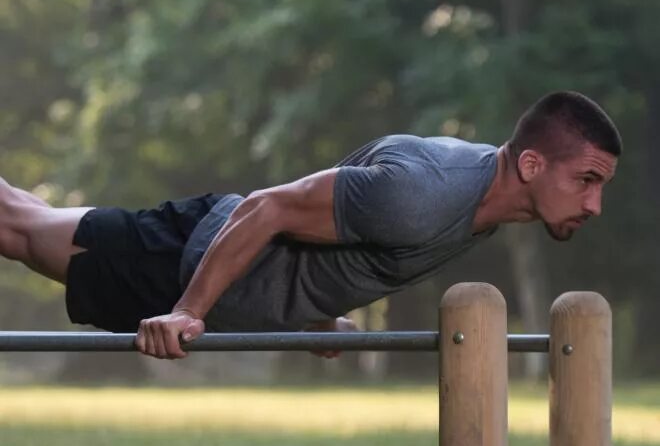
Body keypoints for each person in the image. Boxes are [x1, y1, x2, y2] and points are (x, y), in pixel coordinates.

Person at [0, 91, 620, 360]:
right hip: (181, 259)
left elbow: (334, 231)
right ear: (533, 164)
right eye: (585, 181)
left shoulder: (483, 197)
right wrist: (188, 309)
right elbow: (271, 207)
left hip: (201, 260)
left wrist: (317, 314)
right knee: (18, 230)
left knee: (23, 218)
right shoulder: (426, 194)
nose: (593, 206)